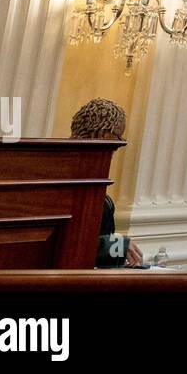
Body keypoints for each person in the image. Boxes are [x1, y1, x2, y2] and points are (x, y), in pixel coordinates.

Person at [69, 99, 142, 268]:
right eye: (118, 137)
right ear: (105, 135)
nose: (118, 145)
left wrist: (117, 245)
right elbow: (71, 244)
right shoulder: (79, 178)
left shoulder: (67, 168)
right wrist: (119, 246)